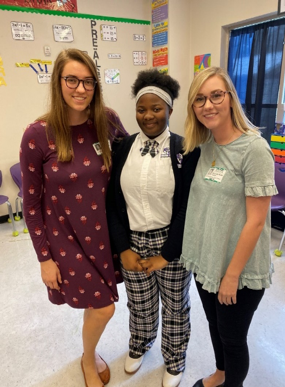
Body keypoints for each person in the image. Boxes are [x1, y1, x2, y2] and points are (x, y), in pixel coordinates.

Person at [20, 48, 127, 387]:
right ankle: (88, 359)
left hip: (105, 234)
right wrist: (44, 258)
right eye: (72, 80)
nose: (80, 89)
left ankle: (88, 350)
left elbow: (134, 161)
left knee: (94, 301)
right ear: (58, 82)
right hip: (65, 240)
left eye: (88, 81)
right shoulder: (37, 134)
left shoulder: (107, 121)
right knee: (105, 307)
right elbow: (31, 203)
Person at [180, 66, 277, 387]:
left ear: (231, 98)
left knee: (233, 338)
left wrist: (232, 276)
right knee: (214, 324)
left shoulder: (254, 148)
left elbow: (257, 220)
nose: (208, 105)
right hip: (207, 261)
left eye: (216, 95)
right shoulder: (204, 144)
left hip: (239, 269)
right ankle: (220, 375)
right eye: (200, 99)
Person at [106, 68, 200, 387]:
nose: (148, 116)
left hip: (171, 240)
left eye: (156, 108)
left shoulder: (185, 150)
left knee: (175, 305)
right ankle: (140, 343)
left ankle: (174, 358)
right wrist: (123, 247)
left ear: (170, 110)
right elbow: (112, 201)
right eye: (141, 109)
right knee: (140, 302)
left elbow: (188, 207)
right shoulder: (122, 147)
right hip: (132, 240)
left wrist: (168, 252)